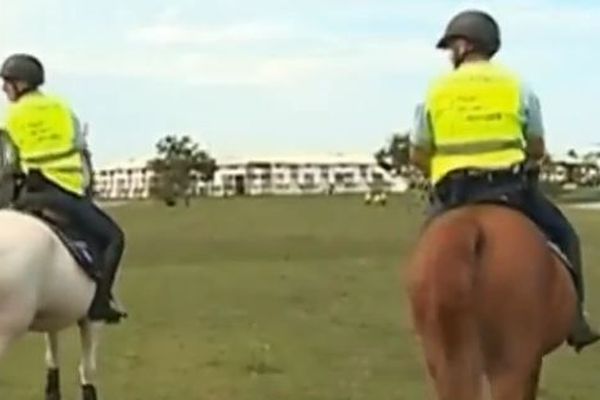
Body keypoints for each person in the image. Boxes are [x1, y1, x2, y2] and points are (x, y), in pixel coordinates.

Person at [409, 10, 600, 352]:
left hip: (454, 195)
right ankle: (577, 322)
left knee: (426, 250)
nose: (451, 54)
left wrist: (435, 171)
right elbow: (537, 146)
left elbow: (419, 152)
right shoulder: (517, 85)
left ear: (465, 45)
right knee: (565, 236)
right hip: (511, 192)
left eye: (452, 46)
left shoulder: (436, 90)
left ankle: (426, 318)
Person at [0, 53, 127, 324]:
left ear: (21, 84)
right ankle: (101, 303)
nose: (4, 88)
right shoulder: (62, 109)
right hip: (63, 193)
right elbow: (81, 151)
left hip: (26, 195)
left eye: (7, 82)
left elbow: (8, 160)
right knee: (115, 238)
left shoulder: (8, 118)